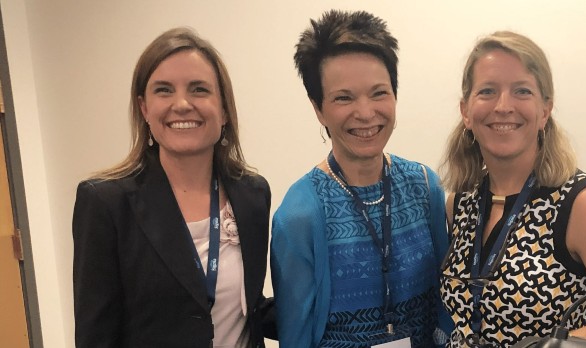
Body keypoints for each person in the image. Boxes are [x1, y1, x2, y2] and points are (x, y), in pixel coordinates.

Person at [439, 31, 586, 347]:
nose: (503, 106)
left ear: (545, 110)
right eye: (488, 91)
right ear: (466, 110)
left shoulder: (583, 204)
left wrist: (553, 346)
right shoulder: (459, 203)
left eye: (522, 91)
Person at [72, 27, 274, 348]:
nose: (181, 104)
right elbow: (96, 335)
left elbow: (245, 305)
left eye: (199, 89)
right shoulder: (106, 203)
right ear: (144, 109)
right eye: (164, 90)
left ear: (223, 110)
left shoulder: (253, 194)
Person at [270, 10, 453, 348]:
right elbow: (295, 335)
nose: (366, 112)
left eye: (379, 92)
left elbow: (447, 305)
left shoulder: (424, 187)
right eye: (344, 97)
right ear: (318, 108)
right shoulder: (298, 216)